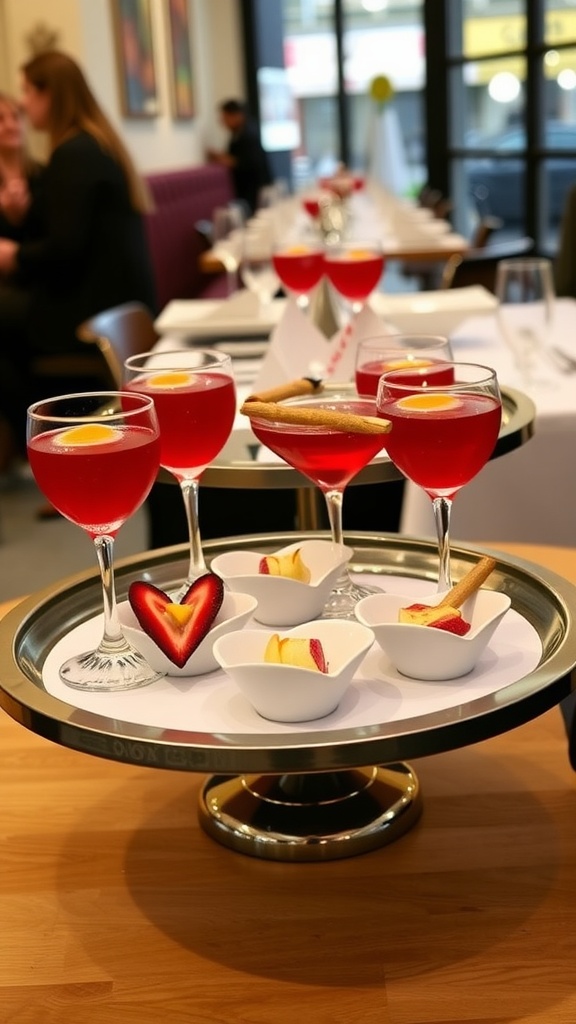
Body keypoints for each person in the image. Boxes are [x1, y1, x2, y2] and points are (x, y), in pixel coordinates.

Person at [0, 50, 157, 464]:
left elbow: (64, 252)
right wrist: (19, 220)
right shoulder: (91, 146)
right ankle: (33, 437)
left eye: (28, 95)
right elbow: (59, 235)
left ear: (50, 94)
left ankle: (32, 441)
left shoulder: (74, 155)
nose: (24, 106)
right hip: (114, 302)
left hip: (89, 311)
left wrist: (15, 256)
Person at [207, 98, 272, 215]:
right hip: (247, 193)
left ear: (237, 115)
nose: (222, 122)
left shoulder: (248, 134)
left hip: (254, 192)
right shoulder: (237, 134)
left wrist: (220, 158)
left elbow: (247, 162)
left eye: (225, 117)